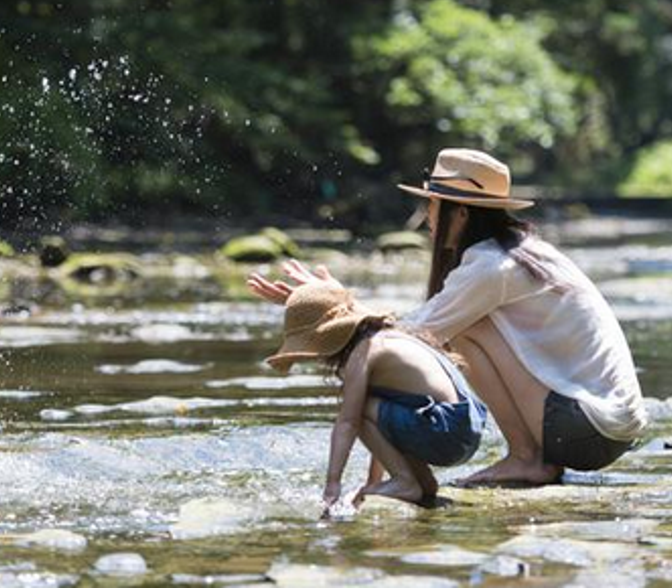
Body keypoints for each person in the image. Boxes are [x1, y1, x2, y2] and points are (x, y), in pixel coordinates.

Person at [249, 148, 648, 486]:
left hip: (585, 429)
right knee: (457, 327)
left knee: (467, 328)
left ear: (460, 214)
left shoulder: (492, 267)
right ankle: (527, 456)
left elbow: (410, 335)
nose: (427, 219)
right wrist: (334, 304)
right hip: (604, 426)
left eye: (433, 206)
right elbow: (411, 327)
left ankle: (526, 458)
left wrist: (333, 307)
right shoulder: (523, 251)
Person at [265, 281, 486, 511]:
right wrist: (374, 483)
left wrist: (332, 486)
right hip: (464, 428)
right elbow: (384, 427)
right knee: (380, 410)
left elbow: (349, 422)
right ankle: (419, 483)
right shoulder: (389, 336)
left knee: (359, 408)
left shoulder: (364, 352)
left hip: (445, 430)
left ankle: (404, 481)